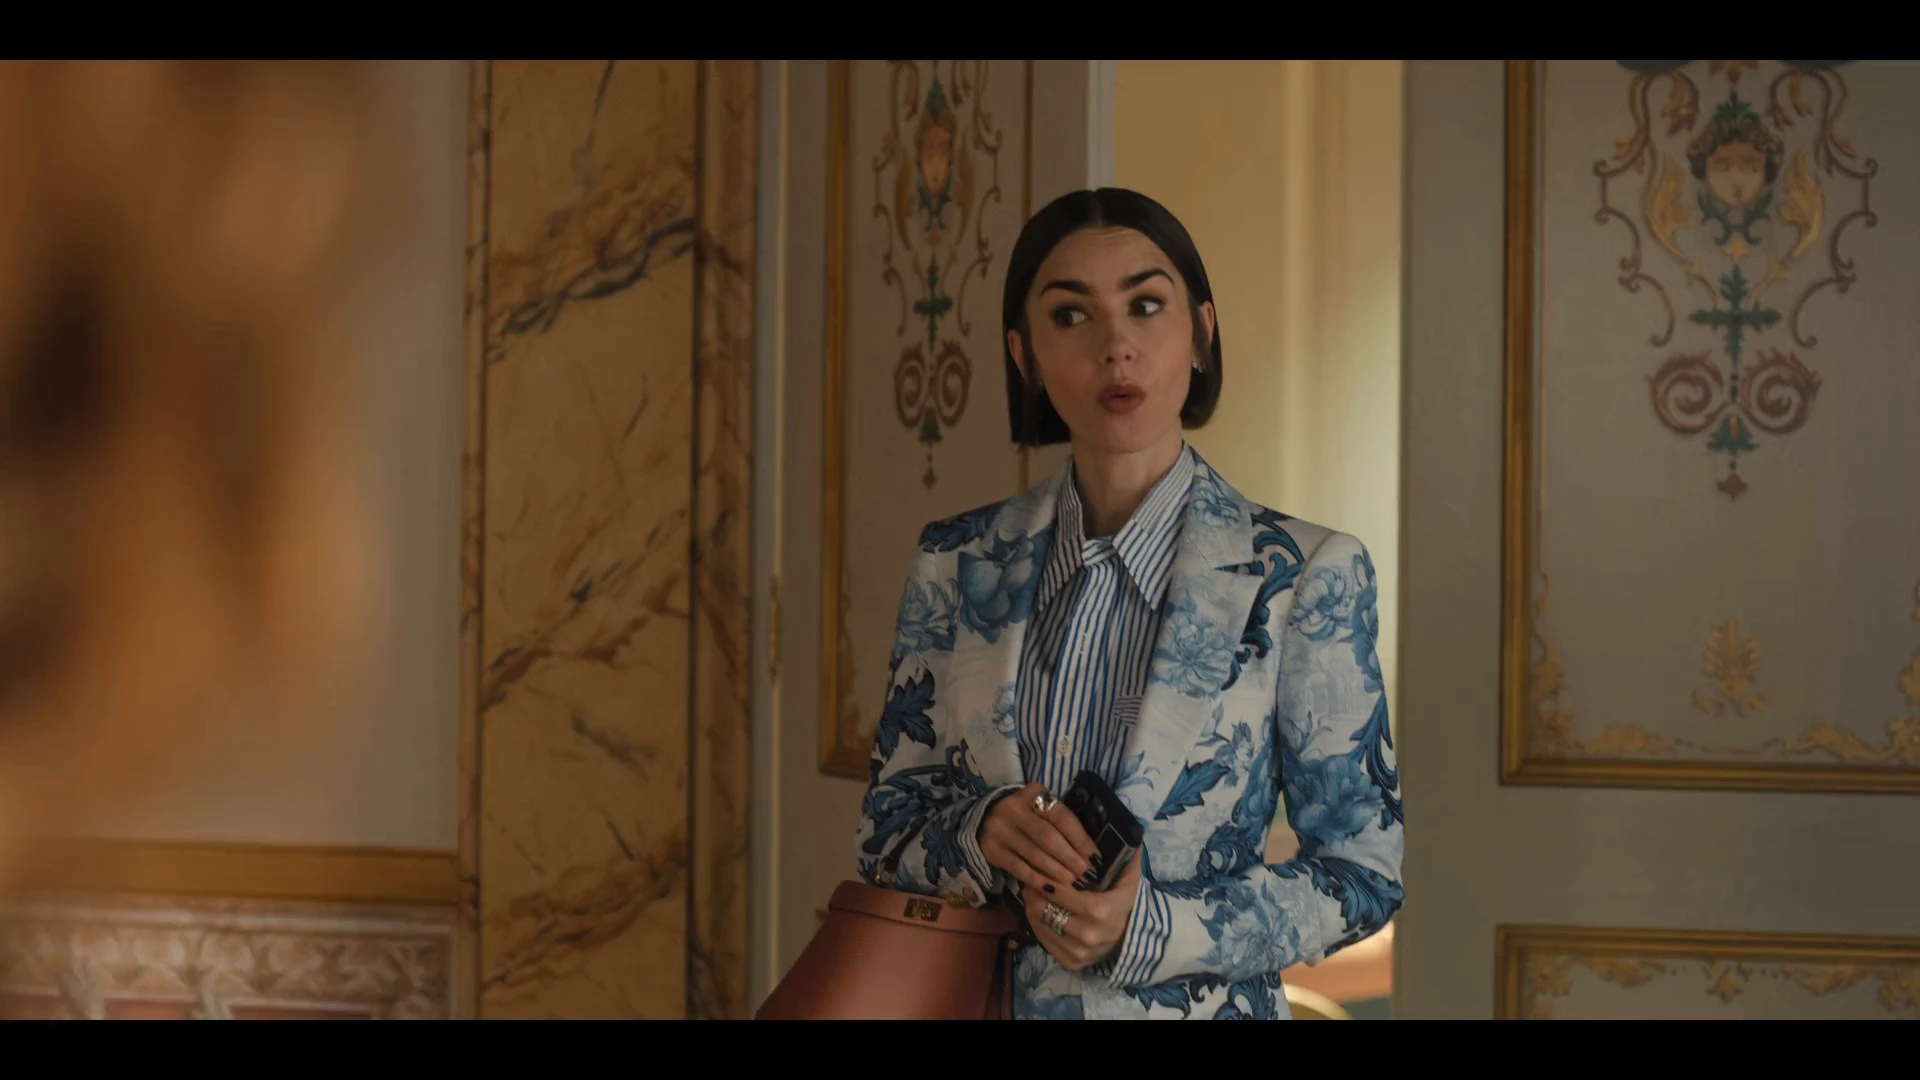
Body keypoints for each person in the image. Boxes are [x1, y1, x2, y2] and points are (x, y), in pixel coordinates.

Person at [852, 187, 1403, 1020]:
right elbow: (883, 833)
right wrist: (980, 832)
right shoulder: (955, 560)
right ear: (1025, 354)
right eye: (1071, 316)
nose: (1116, 346)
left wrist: (1152, 929)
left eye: (1146, 306)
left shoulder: (1303, 577)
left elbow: (1363, 873)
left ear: (1202, 333)